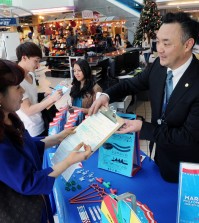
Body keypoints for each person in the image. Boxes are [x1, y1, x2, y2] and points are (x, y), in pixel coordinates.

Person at [89, 12, 199, 183]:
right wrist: (106, 95)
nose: (158, 49)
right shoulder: (159, 66)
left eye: (166, 43)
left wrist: (142, 127)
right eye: (158, 41)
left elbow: (187, 138)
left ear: (188, 44)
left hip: (187, 171)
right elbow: (131, 84)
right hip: (160, 158)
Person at [0, 59, 91, 222]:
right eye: (17, 88)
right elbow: (28, 182)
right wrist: (68, 161)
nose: (22, 92)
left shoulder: (10, 118)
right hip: (22, 212)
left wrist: (58, 137)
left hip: (38, 202)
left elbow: (27, 145)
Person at [16, 42, 63, 137]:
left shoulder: (31, 75)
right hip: (32, 129)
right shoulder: (18, 81)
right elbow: (28, 110)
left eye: (39, 61)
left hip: (42, 120)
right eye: (36, 61)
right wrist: (52, 99)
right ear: (24, 58)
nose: (38, 65)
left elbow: (32, 96)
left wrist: (43, 95)